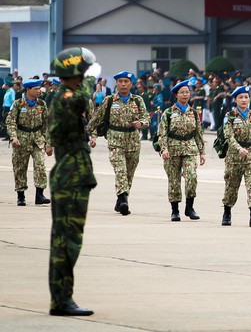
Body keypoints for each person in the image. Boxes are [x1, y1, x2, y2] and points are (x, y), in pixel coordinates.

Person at [48, 47, 99, 316]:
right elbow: (80, 98)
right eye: (84, 71)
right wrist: (91, 79)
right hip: (70, 177)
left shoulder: (66, 96)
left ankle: (62, 298)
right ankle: (61, 300)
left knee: (67, 240)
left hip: (73, 176)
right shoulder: (66, 97)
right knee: (66, 241)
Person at [88, 71, 149, 216]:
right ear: (116, 83)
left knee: (129, 173)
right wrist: (94, 136)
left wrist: (141, 123)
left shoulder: (137, 100)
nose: (123, 84)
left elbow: (146, 117)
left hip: (133, 141)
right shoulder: (110, 100)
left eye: (126, 81)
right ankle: (123, 200)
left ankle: (121, 198)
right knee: (120, 170)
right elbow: (95, 120)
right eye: (120, 81)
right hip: (115, 140)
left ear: (131, 84)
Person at [157, 80, 205, 222]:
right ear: (176, 95)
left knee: (191, 177)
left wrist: (202, 152)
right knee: (174, 180)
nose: (185, 95)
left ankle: (189, 207)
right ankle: (175, 210)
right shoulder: (168, 113)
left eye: (187, 92)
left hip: (190, 148)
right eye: (182, 92)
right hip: (172, 149)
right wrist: (164, 149)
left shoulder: (193, 113)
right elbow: (162, 133)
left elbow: (198, 133)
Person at [220, 86, 251, 227]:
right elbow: (228, 136)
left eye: (246, 97)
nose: (244, 100)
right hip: (234, 156)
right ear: (235, 100)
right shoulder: (230, 116)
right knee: (231, 187)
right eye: (241, 97)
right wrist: (238, 149)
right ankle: (227, 212)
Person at [5, 79, 52, 206]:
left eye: (39, 88)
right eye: (36, 89)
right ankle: (21, 196)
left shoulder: (42, 104)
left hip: (37, 140)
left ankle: (40, 194)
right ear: (28, 90)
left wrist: (48, 144)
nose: (39, 91)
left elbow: (46, 125)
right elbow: (10, 122)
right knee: (20, 168)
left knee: (40, 166)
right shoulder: (18, 104)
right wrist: (13, 137)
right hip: (21, 139)